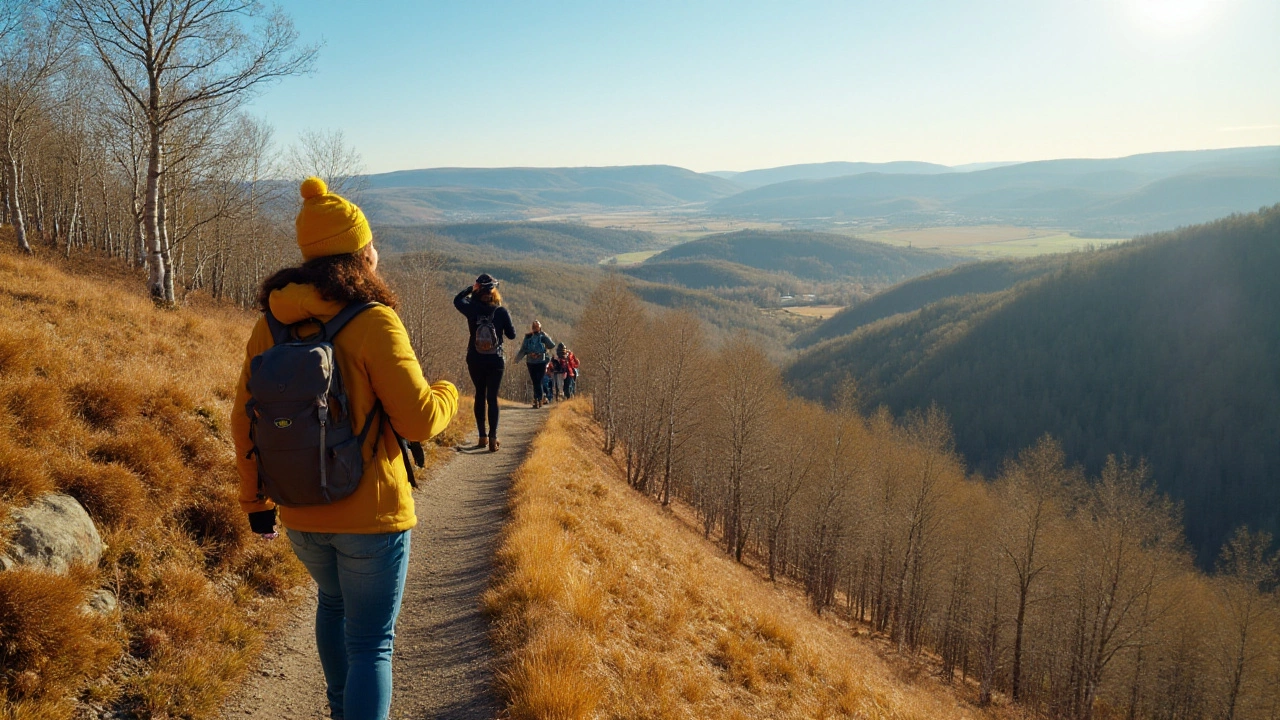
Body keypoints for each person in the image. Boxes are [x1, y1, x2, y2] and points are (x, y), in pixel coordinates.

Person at [233, 177, 459, 720]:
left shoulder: (272, 324)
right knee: (372, 644)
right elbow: (420, 420)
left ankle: (340, 710)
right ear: (361, 253)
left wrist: (255, 504)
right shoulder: (373, 320)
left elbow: (245, 420)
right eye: (371, 244)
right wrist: (450, 392)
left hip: (300, 509)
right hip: (372, 513)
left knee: (332, 605)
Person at [454, 273, 515, 451]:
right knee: (492, 398)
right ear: (494, 291)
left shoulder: (471, 308)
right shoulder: (501, 311)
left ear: (478, 290)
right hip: (495, 359)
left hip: (475, 358)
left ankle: (482, 437)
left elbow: (457, 300)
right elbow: (512, 335)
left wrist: (470, 289)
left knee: (479, 394)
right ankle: (493, 438)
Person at [514, 320, 556, 408]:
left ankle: (538, 398)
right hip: (531, 361)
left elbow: (552, 345)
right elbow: (523, 349)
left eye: (537, 326)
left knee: (539, 380)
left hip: (541, 361)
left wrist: (545, 336)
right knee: (535, 381)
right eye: (534, 326)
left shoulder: (542, 336)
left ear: (540, 327)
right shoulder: (528, 337)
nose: (535, 328)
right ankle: (538, 399)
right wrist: (517, 359)